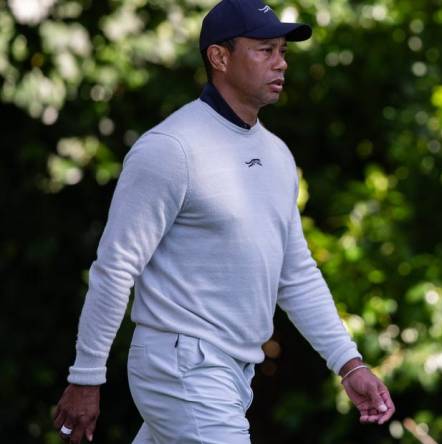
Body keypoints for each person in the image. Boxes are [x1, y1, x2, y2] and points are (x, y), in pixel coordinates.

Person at [52, 1, 395, 442]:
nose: (281, 63)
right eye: (265, 50)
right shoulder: (171, 149)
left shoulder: (276, 156)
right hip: (181, 364)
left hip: (233, 371)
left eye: (283, 52)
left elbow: (295, 275)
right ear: (219, 57)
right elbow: (116, 268)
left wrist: (350, 364)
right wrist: (87, 375)